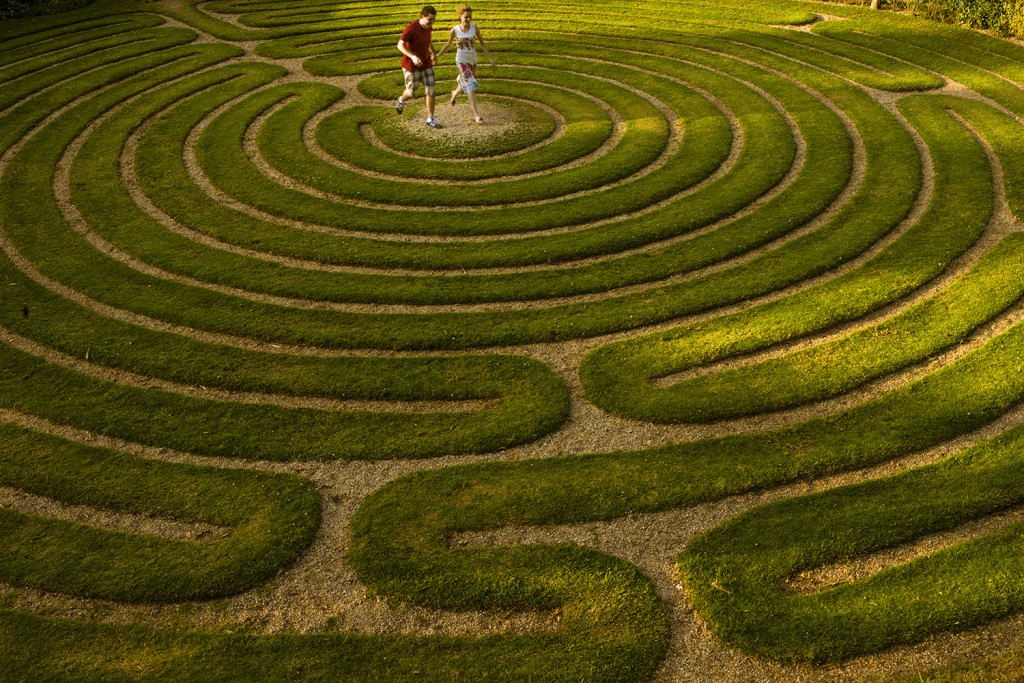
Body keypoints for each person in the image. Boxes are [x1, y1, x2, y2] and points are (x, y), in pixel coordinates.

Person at [436, 4, 495, 124]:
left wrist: (490, 58)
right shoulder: (455, 30)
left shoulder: (475, 28)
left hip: (473, 60)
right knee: (471, 85)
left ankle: (454, 95)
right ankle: (476, 115)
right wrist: (438, 55)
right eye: (466, 17)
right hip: (461, 60)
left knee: (465, 82)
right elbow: (448, 45)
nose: (468, 19)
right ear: (460, 16)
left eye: (470, 17)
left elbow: (482, 44)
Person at [396, 6, 442, 129]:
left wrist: (434, 54)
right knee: (411, 92)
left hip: (426, 64)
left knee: (431, 90)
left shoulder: (428, 27)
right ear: (423, 16)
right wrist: (412, 56)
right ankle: (401, 99)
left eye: (433, 20)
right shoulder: (411, 29)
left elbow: (429, 41)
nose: (432, 22)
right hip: (411, 66)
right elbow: (400, 45)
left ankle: (430, 118)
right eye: (430, 19)